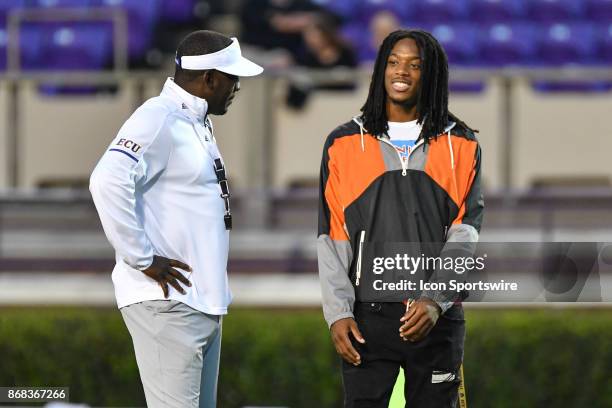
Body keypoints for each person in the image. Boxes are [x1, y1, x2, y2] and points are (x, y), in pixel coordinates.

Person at [89, 30, 263, 408]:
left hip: (200, 303)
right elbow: (106, 179)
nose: (236, 87)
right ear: (210, 79)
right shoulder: (159, 117)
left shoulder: (193, 120)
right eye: (232, 79)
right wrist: (141, 257)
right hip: (167, 303)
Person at [317, 29, 483, 407]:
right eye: (393, 62)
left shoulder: (463, 143)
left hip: (437, 320)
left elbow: (465, 232)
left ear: (432, 74)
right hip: (367, 320)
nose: (401, 71)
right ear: (380, 70)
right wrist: (338, 313)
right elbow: (332, 236)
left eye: (414, 64)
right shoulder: (342, 143)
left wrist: (434, 300)